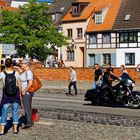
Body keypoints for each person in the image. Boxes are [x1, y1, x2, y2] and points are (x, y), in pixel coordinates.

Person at [0, 58, 21, 135]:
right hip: (15, 95)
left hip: (6, 96)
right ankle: (15, 130)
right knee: (15, 112)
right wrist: (20, 95)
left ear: (5, 64)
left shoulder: (2, 73)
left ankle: (2, 131)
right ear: (12, 64)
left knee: (4, 112)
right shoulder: (16, 73)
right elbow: (19, 84)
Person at [20, 59, 34, 129]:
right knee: (28, 107)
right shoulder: (25, 71)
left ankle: (29, 123)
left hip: (27, 93)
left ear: (26, 64)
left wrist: (25, 90)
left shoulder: (28, 72)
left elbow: (30, 83)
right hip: (25, 92)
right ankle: (30, 121)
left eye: (22, 63)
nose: (21, 64)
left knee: (27, 108)